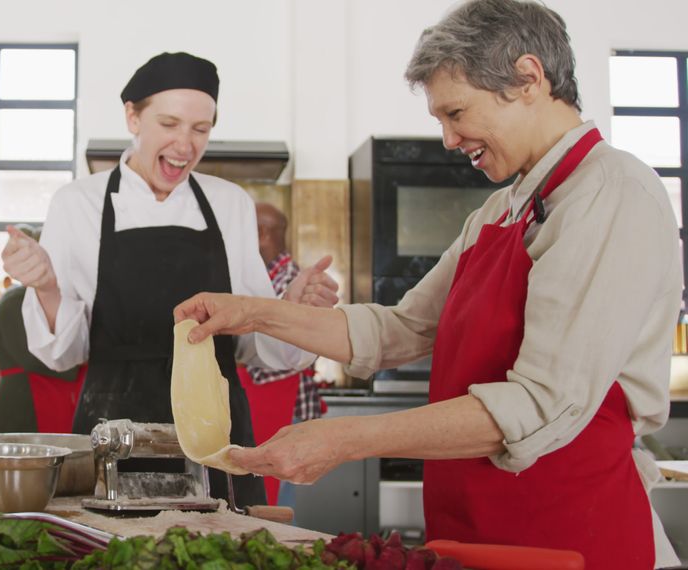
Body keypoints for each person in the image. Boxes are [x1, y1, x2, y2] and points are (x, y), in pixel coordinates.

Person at [174, 1, 681, 567]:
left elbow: (540, 404)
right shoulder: (499, 210)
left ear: (529, 78)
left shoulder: (609, 194)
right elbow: (402, 327)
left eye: (456, 112)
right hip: (477, 530)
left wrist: (342, 440)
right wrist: (253, 312)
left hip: (572, 534)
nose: (447, 138)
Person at [1, 51, 338, 508]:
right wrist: (46, 287)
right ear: (133, 117)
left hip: (216, 435)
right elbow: (63, 354)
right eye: (170, 124)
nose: (185, 145)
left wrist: (292, 308)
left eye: (201, 129)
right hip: (112, 430)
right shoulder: (76, 203)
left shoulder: (229, 203)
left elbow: (258, 349)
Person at [239, 202, 332, 506]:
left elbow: (271, 354)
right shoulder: (264, 276)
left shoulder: (288, 281)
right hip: (265, 413)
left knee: (275, 503)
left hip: (281, 411)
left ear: (261, 232)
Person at [0, 225, 85, 433]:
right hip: (24, 409)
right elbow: (49, 360)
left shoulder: (57, 298)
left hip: (49, 402)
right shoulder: (14, 302)